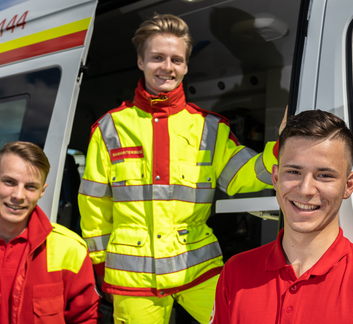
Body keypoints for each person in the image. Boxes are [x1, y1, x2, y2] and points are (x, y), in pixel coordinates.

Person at [78, 14, 279, 324]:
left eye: (176, 59)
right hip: (133, 278)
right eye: (157, 57)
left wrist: (279, 154)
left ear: (185, 66)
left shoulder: (209, 128)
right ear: (141, 61)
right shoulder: (109, 128)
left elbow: (241, 175)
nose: (167, 67)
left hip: (197, 269)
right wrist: (100, 263)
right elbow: (94, 203)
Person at [211, 110, 353, 324]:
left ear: (348, 186)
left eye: (324, 175)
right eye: (293, 172)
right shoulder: (235, 272)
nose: (306, 189)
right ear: (275, 178)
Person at [0, 141, 101, 324]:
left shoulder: (70, 250)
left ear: (42, 191)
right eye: (9, 182)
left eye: (30, 187)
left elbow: (85, 318)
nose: (18, 195)